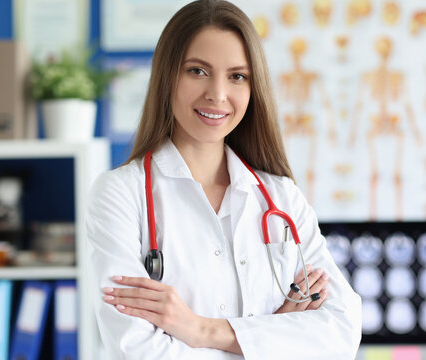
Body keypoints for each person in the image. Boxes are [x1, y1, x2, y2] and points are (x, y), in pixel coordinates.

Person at [85, 0, 362, 359]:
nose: (217, 94)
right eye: (198, 71)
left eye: (237, 76)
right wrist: (270, 337)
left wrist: (202, 330)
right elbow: (136, 350)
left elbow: (341, 332)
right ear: (167, 75)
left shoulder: (281, 198)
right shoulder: (120, 195)